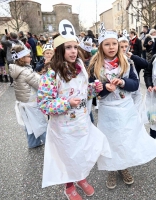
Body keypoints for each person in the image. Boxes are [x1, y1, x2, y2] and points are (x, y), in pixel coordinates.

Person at [37, 20, 111, 200]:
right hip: (63, 127)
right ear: (59, 50)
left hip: (81, 121)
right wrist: (67, 103)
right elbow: (44, 104)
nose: (73, 51)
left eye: (75, 47)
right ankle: (69, 186)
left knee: (81, 152)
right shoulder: (50, 74)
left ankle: (80, 177)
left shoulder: (81, 68)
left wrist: (95, 88)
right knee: (67, 156)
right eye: (68, 47)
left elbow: (83, 93)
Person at [88, 23, 156, 190]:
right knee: (111, 141)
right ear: (101, 46)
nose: (111, 47)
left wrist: (122, 82)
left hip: (125, 108)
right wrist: (105, 89)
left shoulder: (126, 62)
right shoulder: (95, 66)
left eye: (114, 43)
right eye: (107, 44)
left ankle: (123, 166)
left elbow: (135, 84)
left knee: (125, 138)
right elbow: (93, 92)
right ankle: (111, 168)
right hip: (108, 110)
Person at [9, 45, 47, 148]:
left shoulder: (16, 69)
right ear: (22, 58)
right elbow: (39, 86)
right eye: (28, 56)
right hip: (31, 102)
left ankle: (33, 143)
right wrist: (44, 77)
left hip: (23, 102)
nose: (31, 58)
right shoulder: (25, 72)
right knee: (40, 124)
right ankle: (50, 146)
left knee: (29, 124)